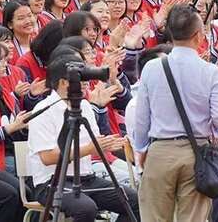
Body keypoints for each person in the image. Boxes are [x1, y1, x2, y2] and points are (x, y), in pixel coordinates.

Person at [133, 4, 218, 221]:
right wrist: (214, 135)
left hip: (160, 149)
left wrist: (141, 148)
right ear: (198, 36)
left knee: (155, 217)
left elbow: (142, 117)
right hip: (197, 150)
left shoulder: (152, 68)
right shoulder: (211, 71)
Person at [27, 48, 140, 222]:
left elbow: (94, 146)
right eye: (81, 78)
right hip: (52, 182)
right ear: (64, 82)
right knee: (86, 208)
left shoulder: (85, 106)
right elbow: (47, 157)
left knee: (134, 200)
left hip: (87, 179)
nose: (86, 83)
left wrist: (107, 144)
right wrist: (90, 148)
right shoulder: (43, 110)